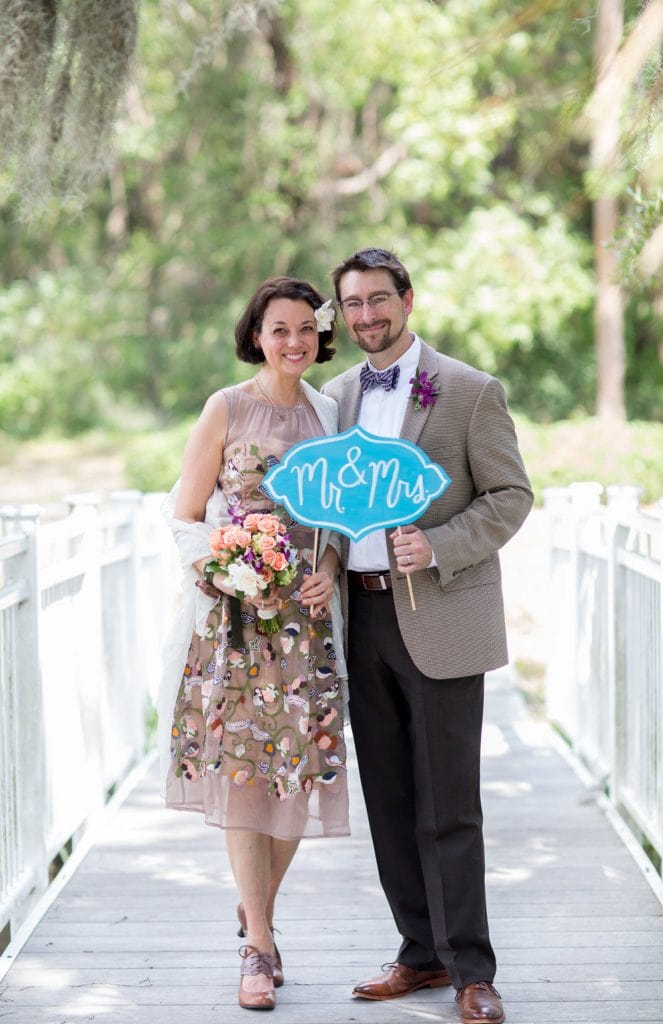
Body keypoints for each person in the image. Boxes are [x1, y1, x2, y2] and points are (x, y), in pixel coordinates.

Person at [322, 248, 533, 1024]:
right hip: (361, 617)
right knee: (389, 796)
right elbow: (326, 508)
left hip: (440, 611)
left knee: (450, 804)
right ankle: (419, 954)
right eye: (353, 305)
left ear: (406, 300)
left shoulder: (469, 391)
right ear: (340, 315)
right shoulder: (334, 397)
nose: (367, 316)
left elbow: (511, 494)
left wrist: (439, 546)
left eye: (379, 300)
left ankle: (472, 971)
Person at [157, 277, 348, 1012]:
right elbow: (184, 513)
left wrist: (326, 570)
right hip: (236, 629)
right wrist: (221, 568)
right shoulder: (226, 407)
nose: (294, 341)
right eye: (279, 329)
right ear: (256, 334)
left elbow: (336, 524)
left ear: (317, 337)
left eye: (305, 329)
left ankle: (256, 903)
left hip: (305, 631)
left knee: (296, 777)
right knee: (242, 775)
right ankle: (259, 948)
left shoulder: (330, 416)